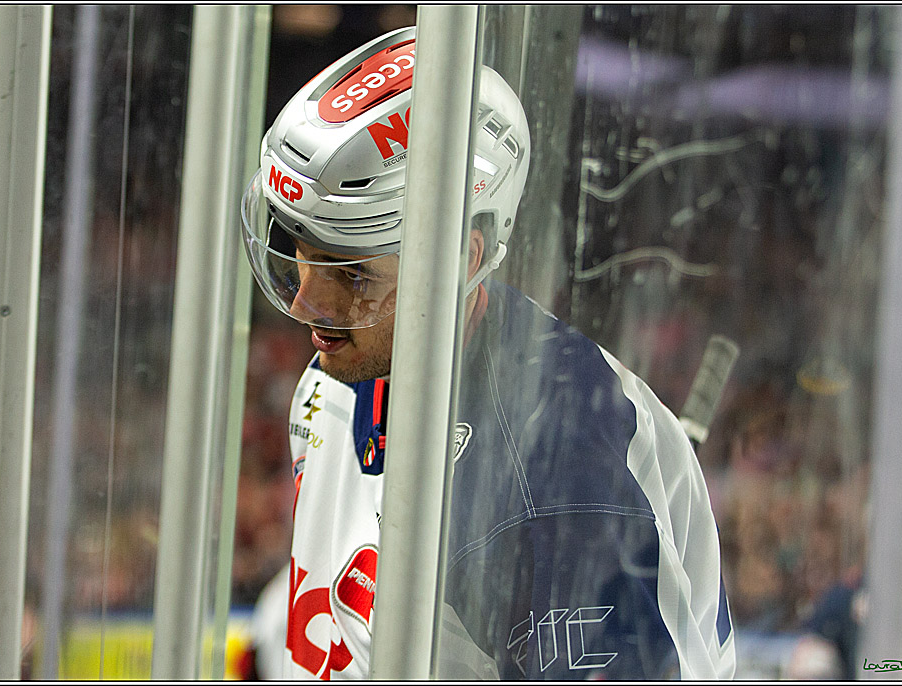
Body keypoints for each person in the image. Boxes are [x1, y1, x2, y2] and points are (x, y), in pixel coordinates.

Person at [240, 26, 736, 680]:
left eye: (351, 275)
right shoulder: (351, 368)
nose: (307, 304)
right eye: (299, 251)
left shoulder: (556, 473)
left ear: (460, 257)